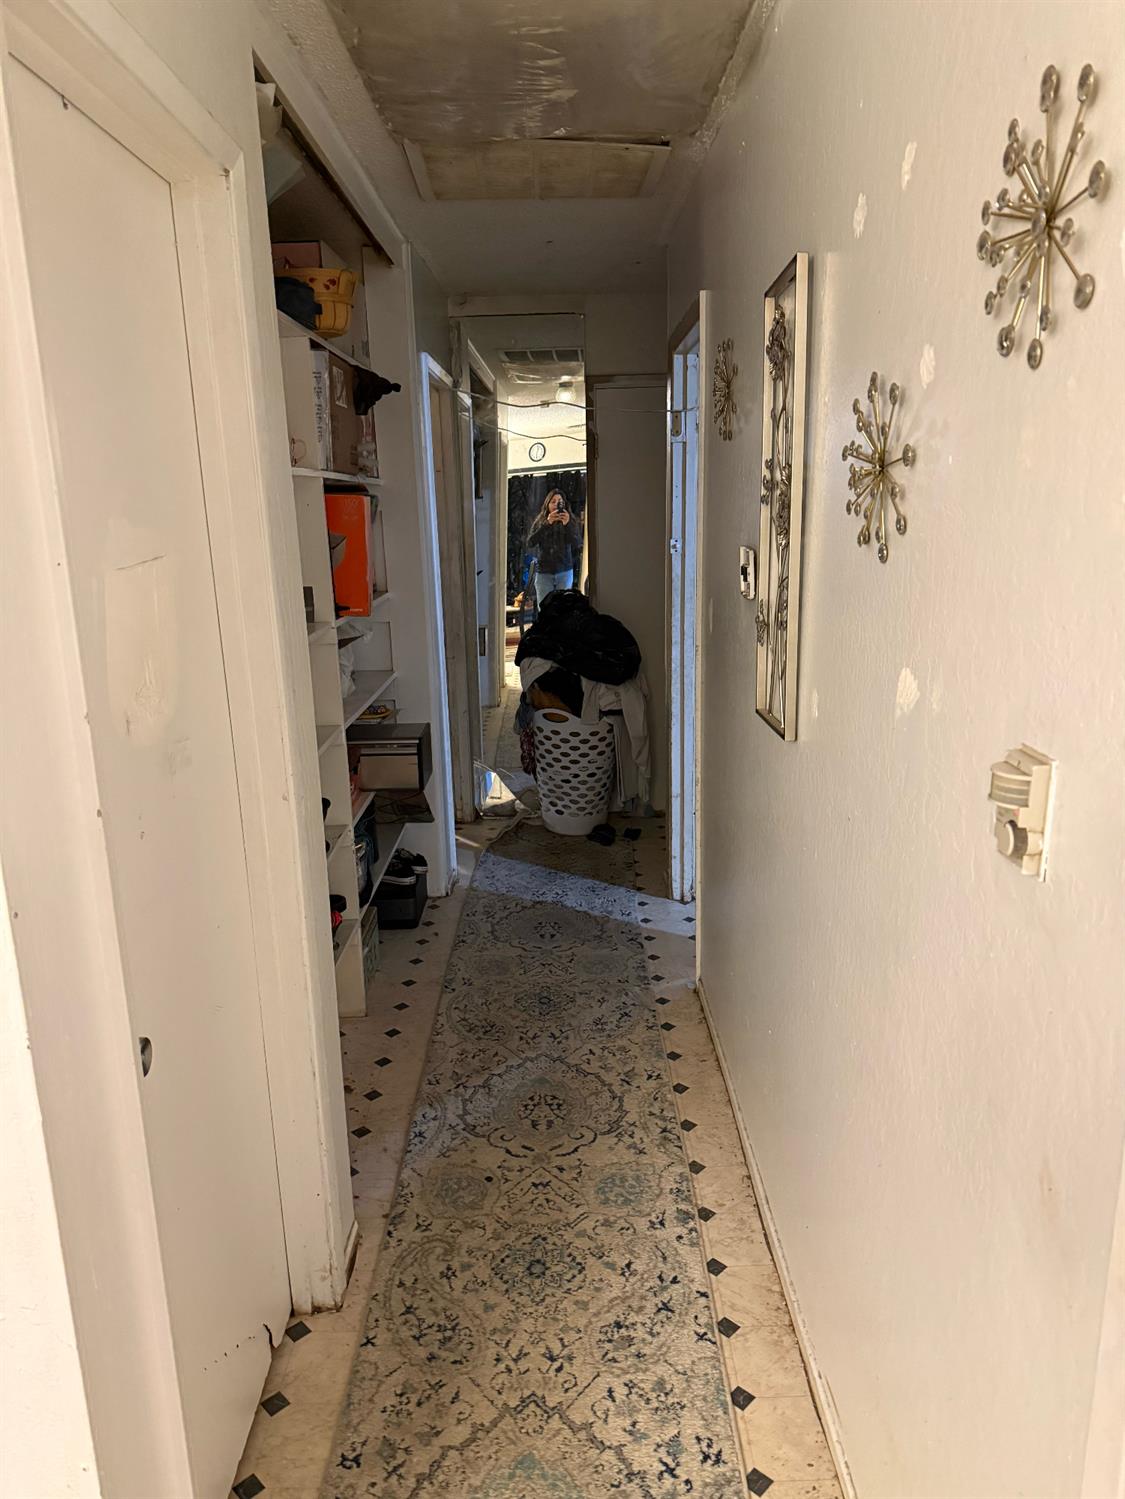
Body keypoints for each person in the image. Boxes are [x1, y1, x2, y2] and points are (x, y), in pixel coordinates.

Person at [527, 490, 582, 605]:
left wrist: (567, 525)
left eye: (560, 501)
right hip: (544, 572)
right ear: (547, 504)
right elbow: (530, 542)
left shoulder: (570, 520)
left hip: (564, 570)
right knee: (544, 608)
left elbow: (577, 543)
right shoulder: (541, 520)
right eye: (553, 501)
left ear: (564, 504)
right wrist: (547, 523)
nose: (557, 504)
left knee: (564, 609)